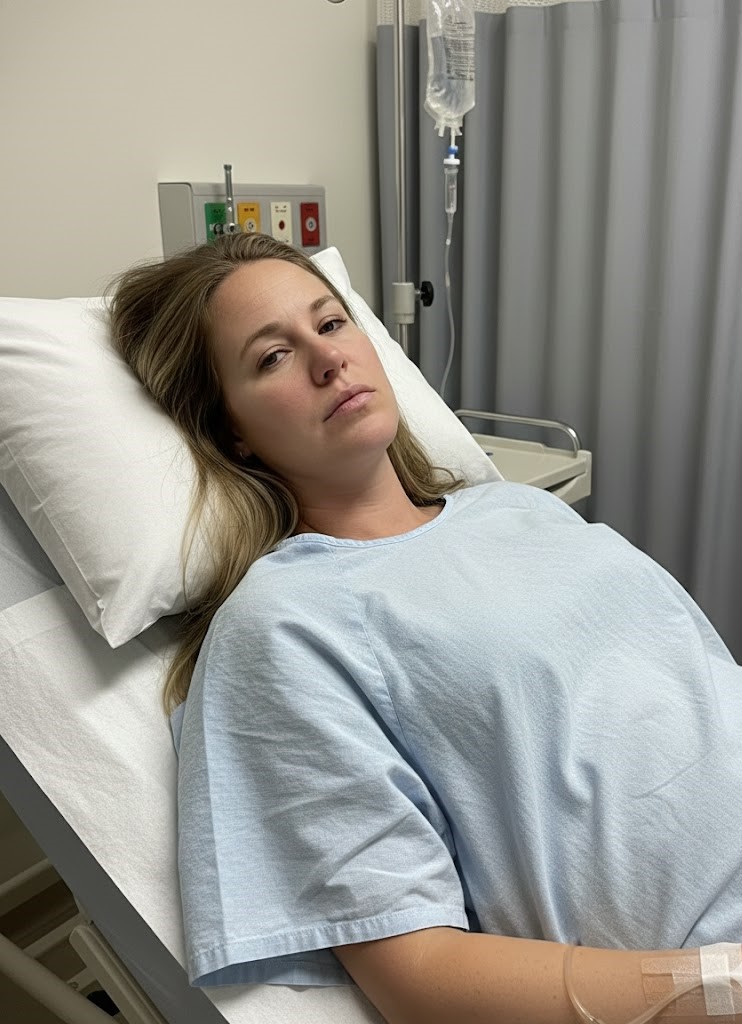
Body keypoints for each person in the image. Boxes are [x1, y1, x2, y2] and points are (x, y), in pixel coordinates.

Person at [108, 232, 742, 1024]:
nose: (328, 359)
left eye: (331, 323)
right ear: (231, 428)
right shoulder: (282, 624)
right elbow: (418, 975)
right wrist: (721, 985)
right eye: (272, 357)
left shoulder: (519, 507)